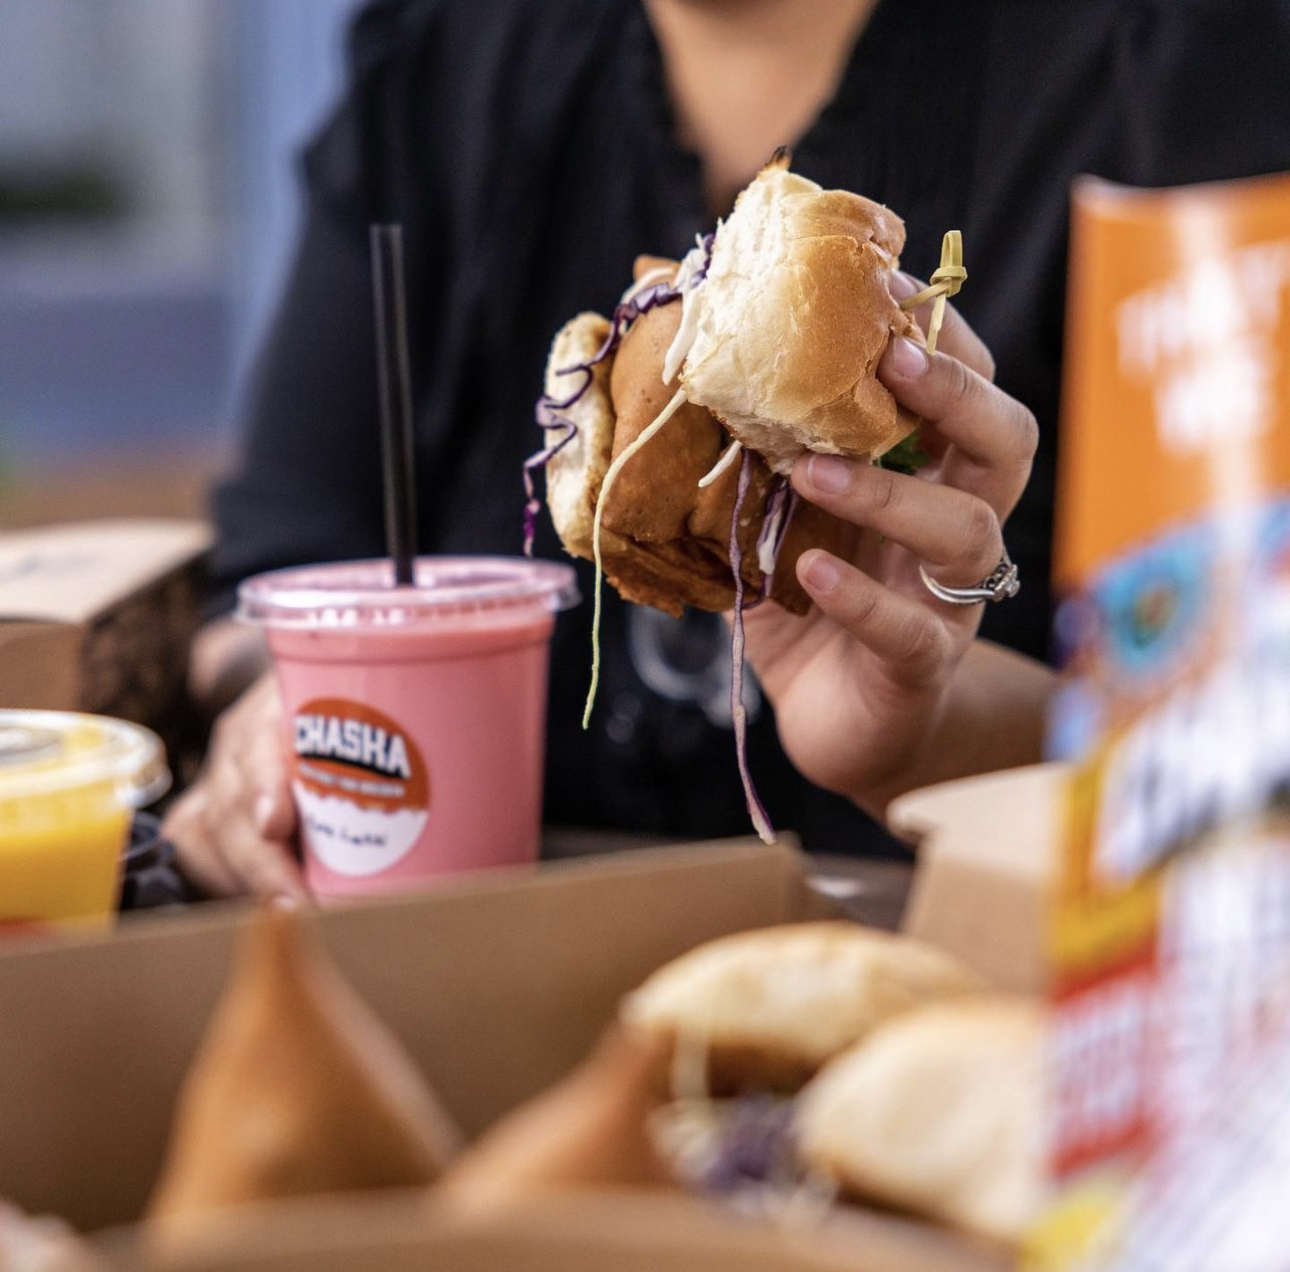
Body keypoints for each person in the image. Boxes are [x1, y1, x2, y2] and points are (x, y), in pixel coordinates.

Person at [165, 0, 1290, 899]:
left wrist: (926, 725)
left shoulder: (1184, 71)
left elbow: (1237, 746)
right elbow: (258, 588)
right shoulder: (445, 58)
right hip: (446, 985)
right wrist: (285, 717)